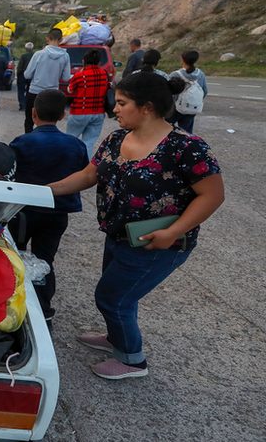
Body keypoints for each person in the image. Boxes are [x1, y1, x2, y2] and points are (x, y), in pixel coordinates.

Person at [48, 72, 224, 380]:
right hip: (118, 235)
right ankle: (116, 338)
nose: (114, 109)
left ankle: (132, 360)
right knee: (119, 293)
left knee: (113, 298)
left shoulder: (187, 147)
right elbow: (90, 175)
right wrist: (45, 189)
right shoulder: (117, 138)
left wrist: (172, 232)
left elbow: (212, 195)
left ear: (147, 107)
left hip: (158, 243)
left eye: (122, 103)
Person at [8, 90, 88, 326]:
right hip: (57, 214)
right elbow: (82, 175)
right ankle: (44, 310)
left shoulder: (22, 142)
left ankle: (13, 302)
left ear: (33, 114)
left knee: (15, 255)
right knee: (45, 259)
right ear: (63, 115)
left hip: (24, 212)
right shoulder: (77, 145)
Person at [23, 28, 71, 133]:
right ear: (61, 40)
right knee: (49, 123)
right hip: (52, 93)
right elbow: (66, 77)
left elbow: (27, 75)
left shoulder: (39, 54)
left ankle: (29, 142)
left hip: (35, 91)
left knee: (29, 121)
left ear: (47, 39)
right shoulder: (65, 56)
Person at [66, 49, 110, 157]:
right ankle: (85, 165)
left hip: (79, 112)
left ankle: (69, 162)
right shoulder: (104, 74)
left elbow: (70, 90)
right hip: (98, 112)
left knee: (71, 140)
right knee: (89, 142)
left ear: (83, 62)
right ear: (99, 62)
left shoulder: (80, 76)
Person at [165, 50, 208, 134]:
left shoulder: (175, 74)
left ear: (182, 60)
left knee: (166, 127)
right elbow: (205, 90)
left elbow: (169, 92)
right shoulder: (200, 74)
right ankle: (185, 146)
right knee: (186, 132)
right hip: (192, 106)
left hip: (175, 107)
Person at [16, 42, 35, 110]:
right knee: (29, 90)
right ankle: (28, 104)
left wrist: (18, 74)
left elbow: (20, 66)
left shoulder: (23, 56)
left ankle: (22, 105)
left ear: (26, 48)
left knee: (21, 90)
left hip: (22, 75)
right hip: (32, 76)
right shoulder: (35, 55)